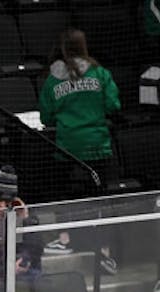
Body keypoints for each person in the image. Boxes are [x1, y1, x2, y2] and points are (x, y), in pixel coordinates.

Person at [39, 27, 120, 194]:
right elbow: (113, 106)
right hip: (98, 146)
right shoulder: (100, 73)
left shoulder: (52, 80)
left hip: (67, 148)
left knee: (65, 195)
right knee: (100, 195)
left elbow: (46, 117)